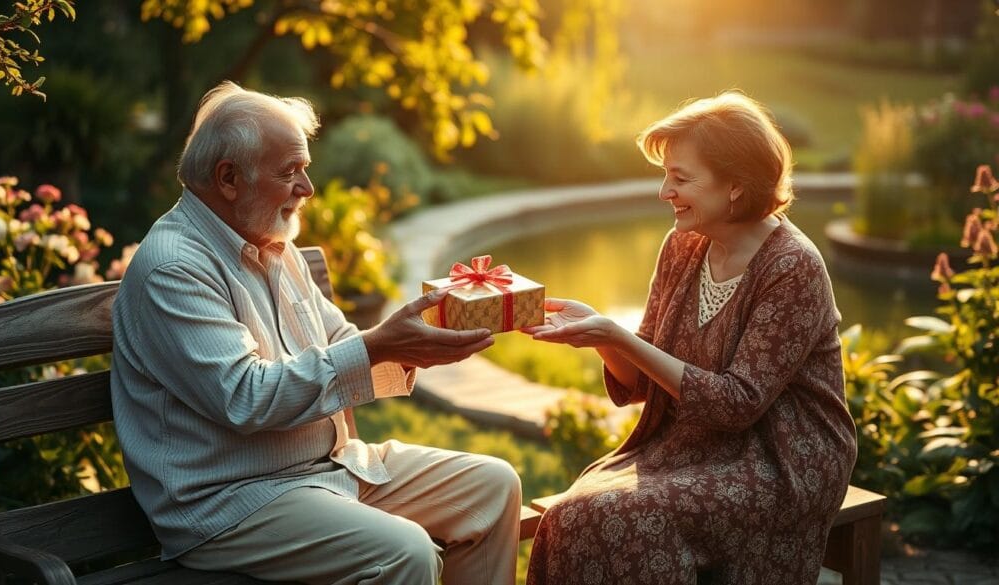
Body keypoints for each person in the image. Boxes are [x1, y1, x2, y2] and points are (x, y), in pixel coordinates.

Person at [110, 81, 522, 585]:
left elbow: (342, 341)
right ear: (228, 178)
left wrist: (417, 350)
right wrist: (380, 345)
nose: (307, 188)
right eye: (290, 173)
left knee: (492, 487)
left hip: (326, 470)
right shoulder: (173, 268)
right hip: (233, 504)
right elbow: (246, 397)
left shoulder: (269, 243)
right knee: (403, 552)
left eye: (305, 168)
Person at [524, 92, 857, 585]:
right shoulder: (683, 243)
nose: (664, 192)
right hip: (692, 444)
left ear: (736, 188)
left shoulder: (793, 266)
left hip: (784, 459)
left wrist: (620, 336)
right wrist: (600, 336)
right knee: (569, 517)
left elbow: (738, 404)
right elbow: (639, 382)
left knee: (625, 517)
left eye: (680, 179)